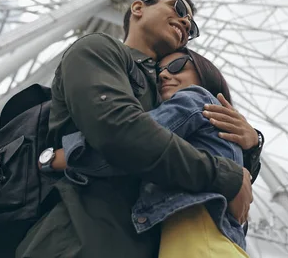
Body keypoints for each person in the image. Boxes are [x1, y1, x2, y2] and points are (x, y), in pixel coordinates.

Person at [16, 0, 262, 258]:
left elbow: (224, 184)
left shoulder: (167, 98)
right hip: (80, 238)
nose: (185, 22)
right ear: (137, 8)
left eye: (191, 27)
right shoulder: (99, 49)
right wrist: (223, 175)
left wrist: (251, 145)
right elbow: (122, 134)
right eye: (178, 9)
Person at [50, 48, 255, 257]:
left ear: (205, 72)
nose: (164, 75)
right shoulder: (221, 133)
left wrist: (61, 157)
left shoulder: (195, 98)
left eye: (177, 66)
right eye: (158, 72)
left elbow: (130, 142)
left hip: (197, 237)